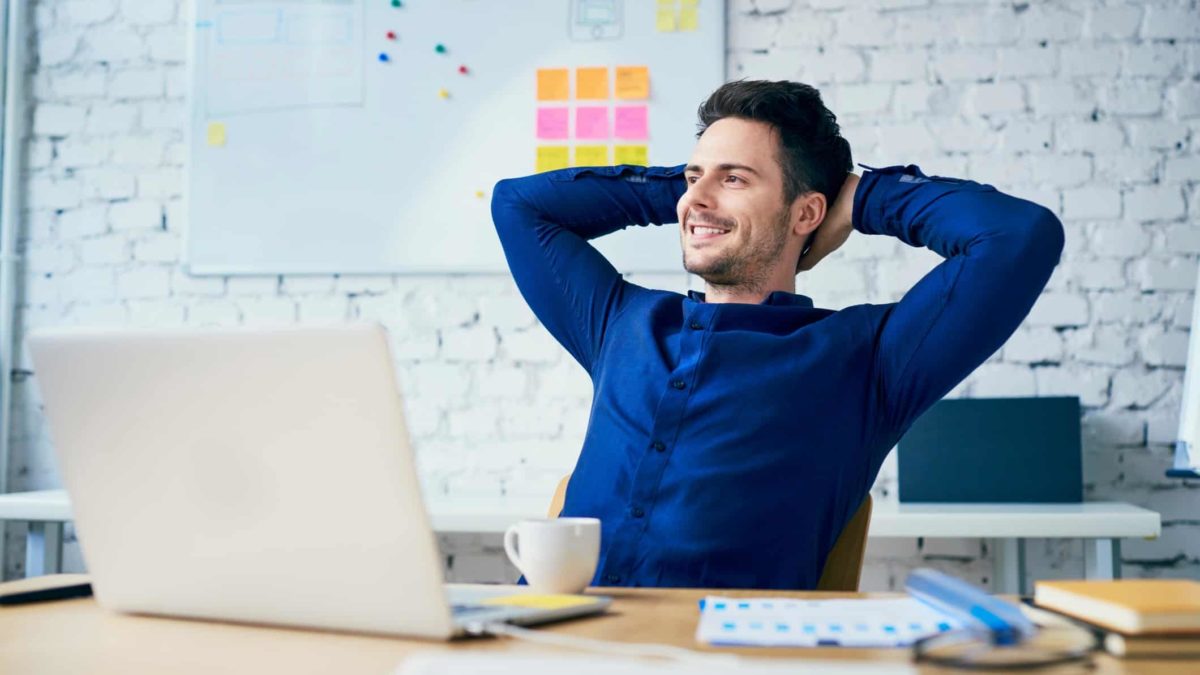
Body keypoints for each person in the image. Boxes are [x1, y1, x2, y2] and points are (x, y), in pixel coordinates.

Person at [490, 80, 1064, 589]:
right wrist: (695, 191)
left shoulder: (870, 357)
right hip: (543, 636)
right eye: (694, 176)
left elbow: (1018, 234)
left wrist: (862, 197)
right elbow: (518, 204)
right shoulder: (621, 321)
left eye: (735, 178)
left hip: (716, 653)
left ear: (808, 213)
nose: (695, 198)